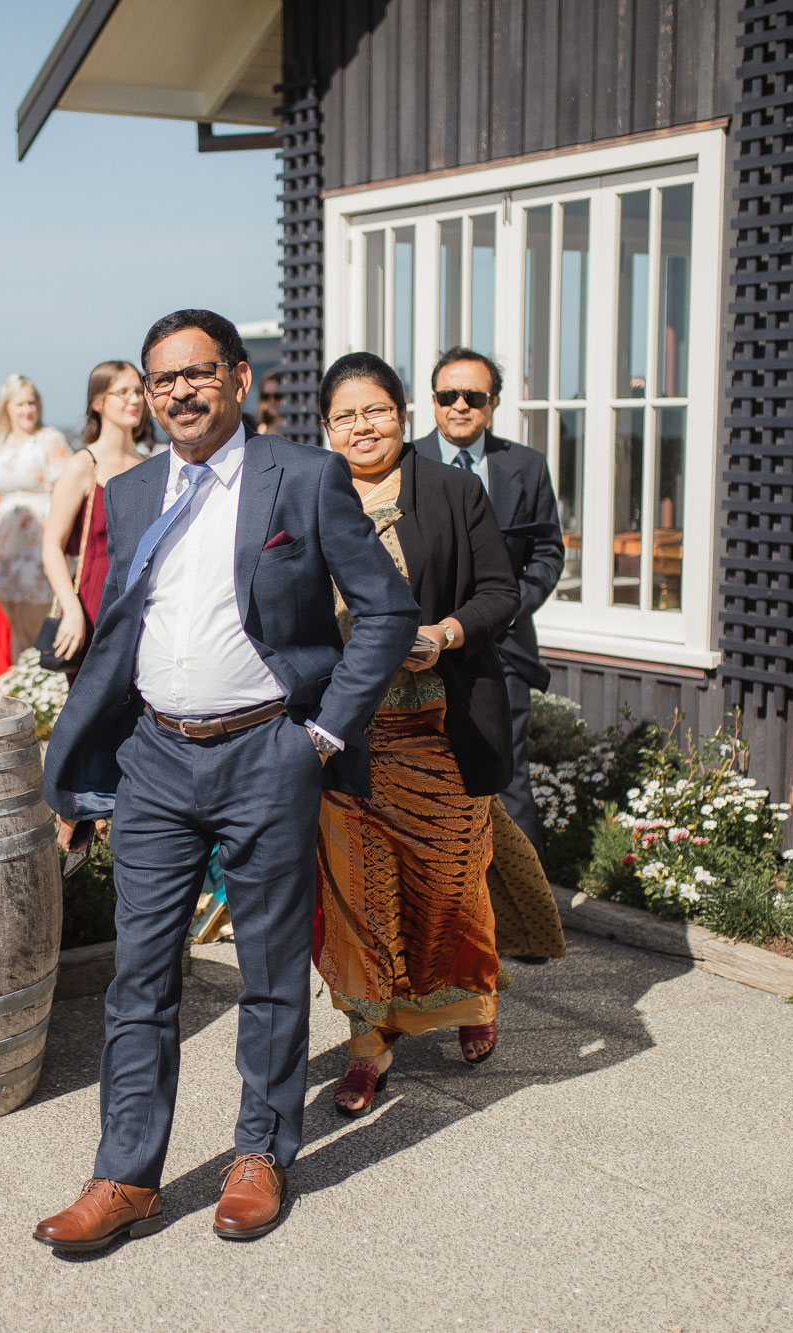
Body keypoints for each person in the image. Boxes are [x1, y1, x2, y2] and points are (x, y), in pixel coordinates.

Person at [34, 310, 419, 1253]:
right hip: (157, 760)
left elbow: (386, 610)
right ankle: (125, 1176)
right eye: (160, 381)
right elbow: (121, 633)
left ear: (238, 380)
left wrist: (324, 732)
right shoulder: (127, 494)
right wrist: (89, 765)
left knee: (272, 968)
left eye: (196, 374)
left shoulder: (307, 474)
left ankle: (261, 1153)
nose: (178, 394)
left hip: (269, 752)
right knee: (140, 978)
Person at [307, 352, 527, 1116]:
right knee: (358, 900)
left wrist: (449, 631)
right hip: (350, 732)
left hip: (443, 722)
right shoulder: (308, 493)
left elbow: (502, 590)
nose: (363, 426)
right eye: (346, 415)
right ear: (326, 428)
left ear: (403, 414)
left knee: (451, 887)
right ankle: (369, 1045)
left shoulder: (453, 489)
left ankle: (472, 1001)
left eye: (377, 410)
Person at [409, 348, 565, 859]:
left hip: (505, 645)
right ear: (431, 403)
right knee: (427, 774)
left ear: (493, 402)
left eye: (472, 396)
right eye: (447, 396)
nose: (459, 406)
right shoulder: (403, 464)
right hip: (423, 646)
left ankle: (526, 921)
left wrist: (512, 607)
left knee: (507, 771)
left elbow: (547, 550)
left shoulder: (525, 466)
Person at [39, 360, 151, 667]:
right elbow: (51, 547)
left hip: (142, 597)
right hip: (92, 600)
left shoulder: (150, 465)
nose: (134, 400)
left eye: (139, 391)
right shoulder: (83, 465)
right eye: (123, 392)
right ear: (98, 402)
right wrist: (71, 610)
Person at [0, 374, 71, 665]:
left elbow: (64, 492)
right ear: (7, 407)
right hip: (7, 548)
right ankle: (23, 689)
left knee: (38, 622)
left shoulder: (50, 439)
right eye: (20, 404)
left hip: (39, 543)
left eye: (32, 402)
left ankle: (48, 693)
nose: (27, 410)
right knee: (14, 626)